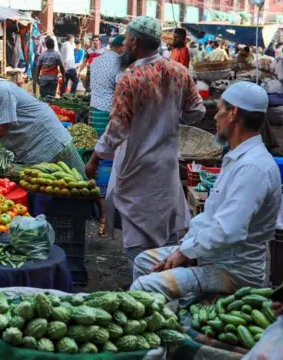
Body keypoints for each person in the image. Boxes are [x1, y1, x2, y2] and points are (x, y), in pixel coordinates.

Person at [131, 82, 281, 299]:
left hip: (233, 271)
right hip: (214, 256)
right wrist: (186, 247)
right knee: (144, 261)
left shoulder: (252, 167)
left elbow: (227, 230)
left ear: (233, 113)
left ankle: (166, 325)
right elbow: (210, 219)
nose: (215, 117)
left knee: (145, 287)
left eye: (220, 109)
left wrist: (185, 252)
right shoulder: (238, 158)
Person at [85, 16, 205, 270]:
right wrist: (172, 115)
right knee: (166, 229)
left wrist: (95, 160)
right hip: (166, 165)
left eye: (127, 39)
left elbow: (116, 130)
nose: (126, 44)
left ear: (135, 43)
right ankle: (165, 286)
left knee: (139, 237)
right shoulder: (179, 72)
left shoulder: (130, 78)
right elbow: (197, 111)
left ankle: (145, 289)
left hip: (136, 165)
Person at [0, 64, 87, 178]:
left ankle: (101, 210)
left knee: (82, 184)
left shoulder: (2, 91)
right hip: (32, 153)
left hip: (52, 142)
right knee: (55, 190)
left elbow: (1, 130)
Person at [87, 34, 125, 237]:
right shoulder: (119, 63)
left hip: (94, 111)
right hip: (109, 113)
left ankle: (100, 209)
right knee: (108, 161)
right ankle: (106, 214)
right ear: (121, 47)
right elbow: (121, 90)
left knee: (99, 157)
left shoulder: (97, 60)